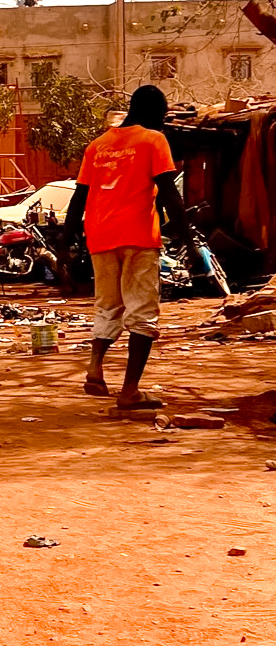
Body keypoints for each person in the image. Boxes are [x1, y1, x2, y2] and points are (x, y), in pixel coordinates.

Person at [63, 84, 194, 409]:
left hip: (100, 237)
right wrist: (187, 239)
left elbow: (79, 195)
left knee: (108, 307)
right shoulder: (153, 140)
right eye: (163, 116)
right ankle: (130, 392)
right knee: (142, 314)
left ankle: (95, 366)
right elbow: (168, 191)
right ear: (155, 114)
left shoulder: (99, 145)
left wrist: (65, 241)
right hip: (137, 236)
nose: (163, 123)